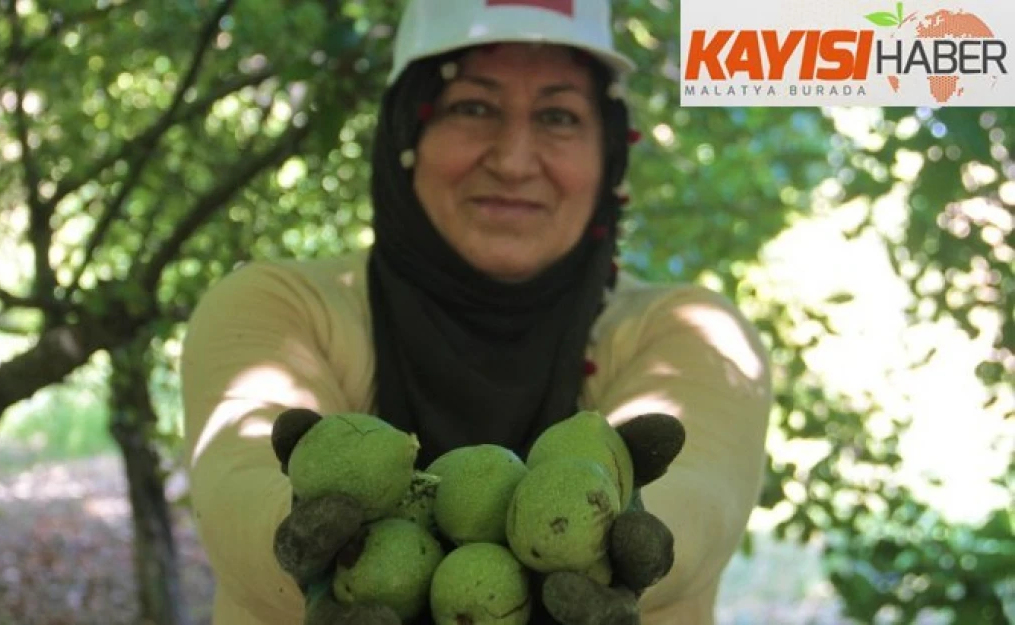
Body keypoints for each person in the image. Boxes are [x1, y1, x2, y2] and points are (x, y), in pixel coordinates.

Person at [180, 0, 773, 623]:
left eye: (559, 116)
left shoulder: (693, 333)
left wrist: (613, 545)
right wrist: (307, 550)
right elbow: (237, 487)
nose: (514, 160)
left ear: (609, 156)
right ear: (408, 134)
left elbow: (702, 497)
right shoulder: (280, 307)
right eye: (473, 107)